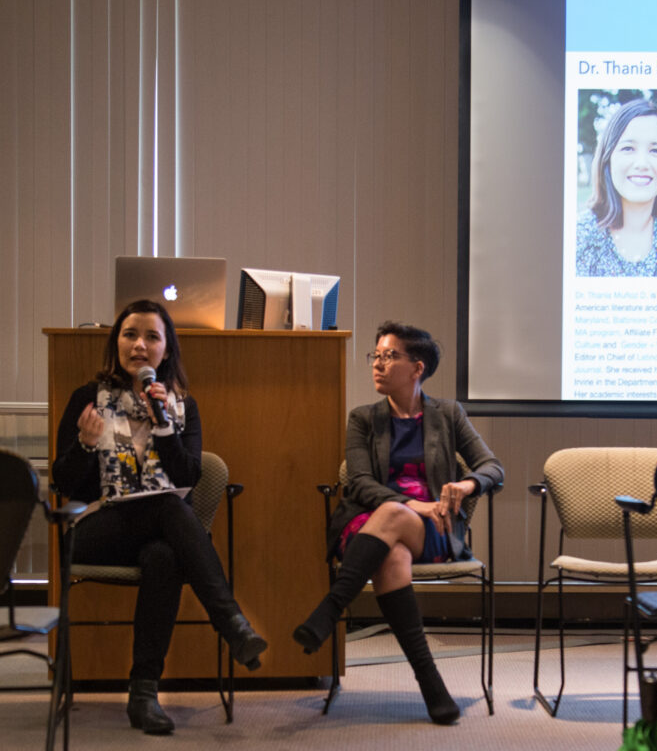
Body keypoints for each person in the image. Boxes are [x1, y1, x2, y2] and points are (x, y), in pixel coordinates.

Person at [52, 299, 267, 735]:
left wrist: (163, 423)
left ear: (166, 351)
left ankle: (144, 693)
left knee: (165, 558)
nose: (140, 345)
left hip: (158, 531)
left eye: (152, 337)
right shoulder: (86, 399)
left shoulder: (182, 407)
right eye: (130, 335)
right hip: (98, 527)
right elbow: (64, 484)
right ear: (117, 344)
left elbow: (190, 475)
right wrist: (85, 445)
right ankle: (230, 620)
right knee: (168, 505)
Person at [293, 322, 503, 725]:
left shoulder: (448, 414)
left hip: (435, 532)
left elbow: (493, 467)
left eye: (390, 356)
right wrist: (414, 505)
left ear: (417, 368)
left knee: (393, 518)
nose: (378, 364)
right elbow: (360, 483)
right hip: (367, 526)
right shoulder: (363, 418)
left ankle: (332, 607)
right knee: (391, 557)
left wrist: (465, 482)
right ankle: (431, 683)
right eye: (376, 355)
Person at [576, 97, 657, 277]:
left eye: (655, 151)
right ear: (608, 159)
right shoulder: (579, 237)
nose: (642, 164)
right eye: (628, 148)